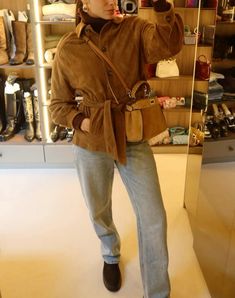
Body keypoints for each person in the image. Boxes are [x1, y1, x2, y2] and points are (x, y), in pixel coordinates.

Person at [49, 1, 184, 297]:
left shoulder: (135, 29)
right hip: (92, 140)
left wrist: (163, 10)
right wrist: (82, 122)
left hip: (132, 136)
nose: (112, 1)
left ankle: (158, 292)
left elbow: (168, 46)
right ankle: (110, 252)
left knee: (153, 215)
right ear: (85, 2)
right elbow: (58, 104)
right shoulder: (69, 47)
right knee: (98, 207)